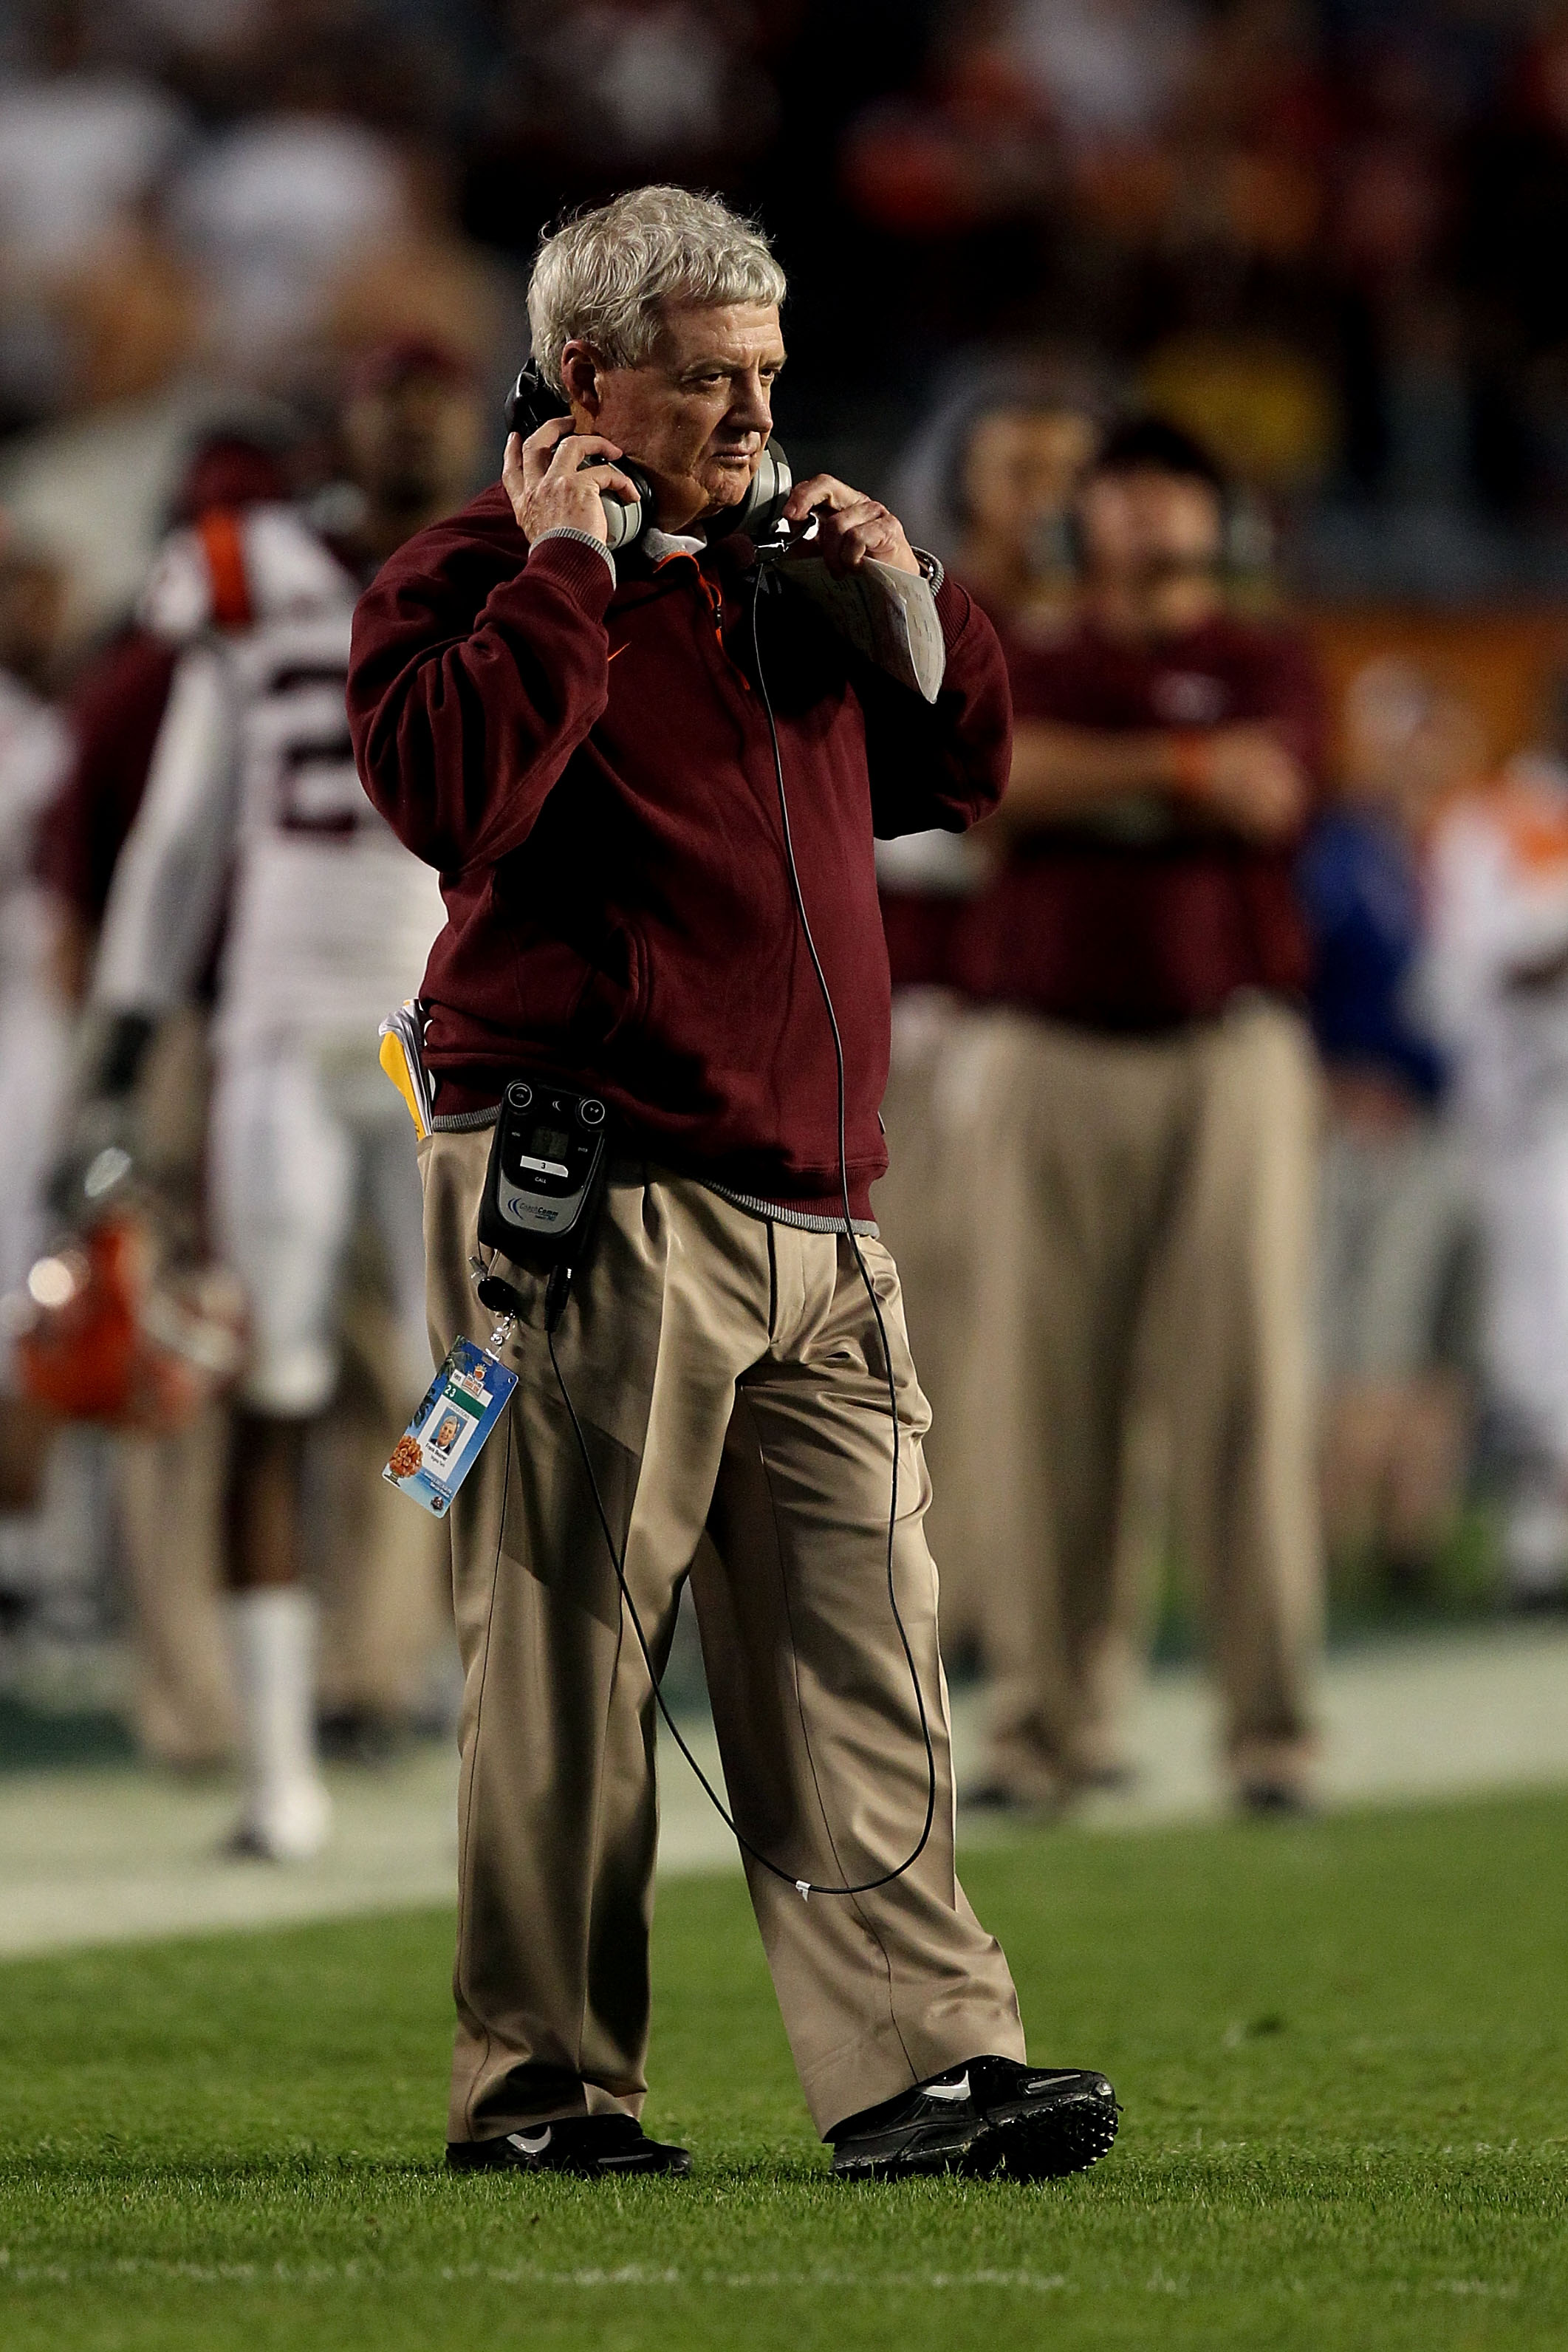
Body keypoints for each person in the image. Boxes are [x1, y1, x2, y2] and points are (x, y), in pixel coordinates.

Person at [347, 185, 1118, 2183]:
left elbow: (962, 774)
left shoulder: (784, 570)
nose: (752, 416)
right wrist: (560, 574)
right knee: (562, 1675)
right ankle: (543, 2090)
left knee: (863, 1657)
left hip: (820, 1209)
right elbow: (453, 796)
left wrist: (910, 594)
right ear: (583, 380)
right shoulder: (457, 577)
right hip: (590, 1195)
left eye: (768, 376)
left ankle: (918, 2068)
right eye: (706, 382)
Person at [81, 342, 485, 1856]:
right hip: (274, 1029)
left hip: (434, 1029)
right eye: (391, 406)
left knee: (476, 1377)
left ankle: (452, 1687)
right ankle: (277, 1768)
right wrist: (128, 1034)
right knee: (277, 1376)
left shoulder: (512, 560)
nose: (412, 432)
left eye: (435, 412)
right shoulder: (246, 572)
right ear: (348, 424)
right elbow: (182, 837)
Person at [954, 415, 1326, 1814]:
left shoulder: (1263, 654)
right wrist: (1175, 774)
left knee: (1242, 1397)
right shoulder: (1032, 652)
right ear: (1084, 516)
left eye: (1173, 487)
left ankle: (1271, 1732)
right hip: (1047, 1050)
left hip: (1223, 1046)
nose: (1144, 513)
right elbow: (996, 782)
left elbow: (1273, 786)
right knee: (1045, 1402)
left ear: (1217, 518)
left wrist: (1087, 781)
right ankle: (1047, 1726)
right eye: (1121, 490)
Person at [874, 375, 1103, 1661]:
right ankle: (939, 1618)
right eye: (1020, 470)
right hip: (933, 1018)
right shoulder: (914, 618)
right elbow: (952, 829)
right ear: (957, 484)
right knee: (937, 1343)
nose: (1051, 502)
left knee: (1062, 1350)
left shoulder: (1108, 636)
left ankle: (1037, 1622)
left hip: (1064, 1020)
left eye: (1070, 471)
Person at [1301, 660, 1481, 1590]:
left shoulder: (1448, 847)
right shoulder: (1339, 852)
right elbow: (1301, 980)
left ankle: (1412, 1548)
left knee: (1442, 1348)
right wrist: (1332, 1076)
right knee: (1365, 1345)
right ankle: (1331, 1555)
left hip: (1457, 1123)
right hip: (1371, 1131)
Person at [1426, 697, 1568, 1611]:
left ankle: (1537, 1542)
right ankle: (1532, 1548)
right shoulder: (1485, 825)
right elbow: (1470, 967)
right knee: (1530, 1338)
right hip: (1520, 1120)